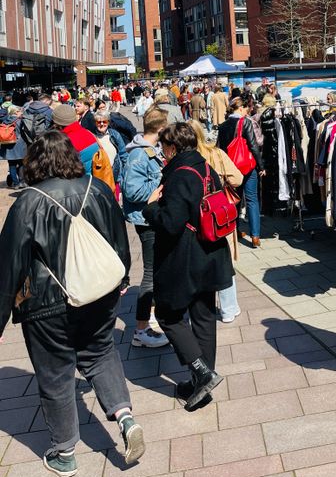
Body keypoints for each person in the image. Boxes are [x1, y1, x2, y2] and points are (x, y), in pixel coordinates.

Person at [0, 131, 145, 476]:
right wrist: (122, 278)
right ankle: (124, 417)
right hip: (99, 292)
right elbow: (117, 239)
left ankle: (65, 453)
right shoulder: (98, 188)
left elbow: (8, 267)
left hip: (47, 303)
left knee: (55, 373)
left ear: (35, 162)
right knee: (100, 351)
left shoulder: (27, 202)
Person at [142, 122, 233, 409]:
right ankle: (201, 384)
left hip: (186, 257)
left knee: (169, 315)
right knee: (204, 316)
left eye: (163, 147)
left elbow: (171, 223)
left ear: (171, 147)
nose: (161, 152)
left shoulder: (180, 175)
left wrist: (151, 206)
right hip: (211, 252)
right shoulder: (206, 167)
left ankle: (201, 373)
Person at [122, 107, 170, 349]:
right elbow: (131, 191)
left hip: (151, 218)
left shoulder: (148, 151)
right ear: (161, 129)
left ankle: (150, 317)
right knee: (150, 274)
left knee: (157, 270)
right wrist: (158, 189)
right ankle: (140, 330)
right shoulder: (139, 155)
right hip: (146, 221)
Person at [189, 119, 244, 323]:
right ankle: (229, 308)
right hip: (218, 214)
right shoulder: (216, 154)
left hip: (195, 217)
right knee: (224, 261)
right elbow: (237, 178)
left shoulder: (184, 159)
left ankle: (202, 307)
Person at [217, 98, 265, 247]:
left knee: (234, 199)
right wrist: (261, 166)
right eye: (246, 108)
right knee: (251, 199)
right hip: (247, 167)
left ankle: (235, 230)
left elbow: (220, 147)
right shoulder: (245, 122)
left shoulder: (223, 125)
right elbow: (253, 145)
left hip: (230, 168)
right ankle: (255, 236)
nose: (247, 111)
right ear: (240, 108)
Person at [52, 104, 100, 176]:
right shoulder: (87, 133)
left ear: (56, 123)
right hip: (94, 178)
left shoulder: (63, 141)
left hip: (80, 181)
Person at [93, 111, 127, 185]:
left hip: (116, 176)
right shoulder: (92, 137)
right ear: (95, 123)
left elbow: (123, 154)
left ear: (108, 122)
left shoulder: (114, 135)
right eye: (99, 122)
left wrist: (126, 172)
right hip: (100, 176)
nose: (102, 124)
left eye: (104, 121)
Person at [0, 104, 26, 188]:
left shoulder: (5, 121)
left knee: (12, 165)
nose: (21, 113)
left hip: (8, 145)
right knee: (21, 164)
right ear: (16, 112)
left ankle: (15, 183)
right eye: (20, 111)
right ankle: (22, 182)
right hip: (19, 145)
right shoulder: (19, 121)